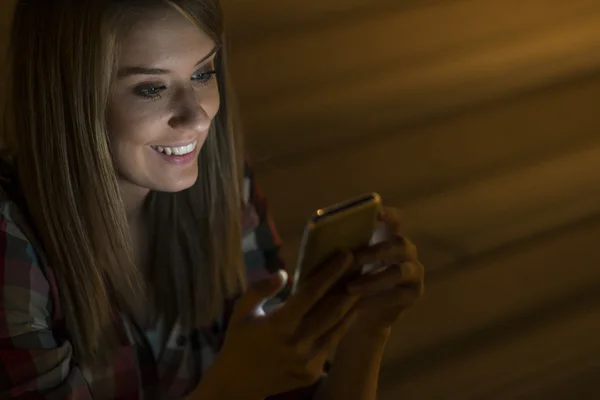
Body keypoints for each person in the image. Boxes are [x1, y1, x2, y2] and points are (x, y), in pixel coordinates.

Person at [0, 0, 425, 399]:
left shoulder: (218, 183)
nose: (198, 115)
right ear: (66, 96)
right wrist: (234, 386)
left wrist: (366, 333)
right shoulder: (12, 243)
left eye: (202, 73)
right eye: (151, 88)